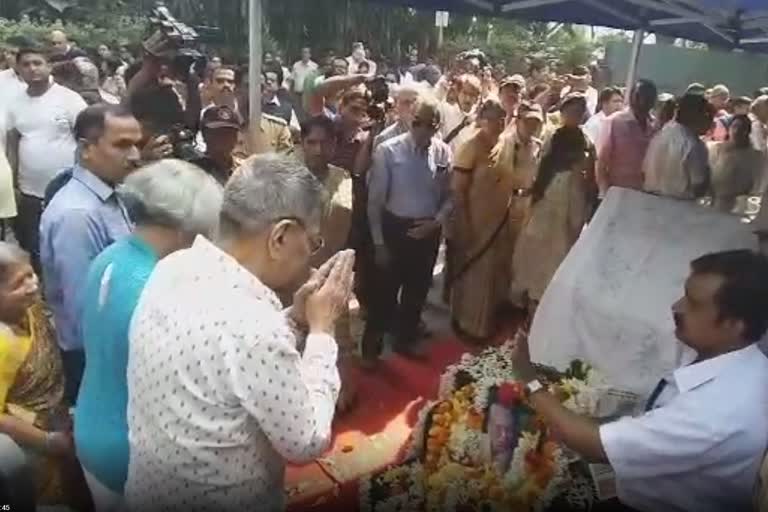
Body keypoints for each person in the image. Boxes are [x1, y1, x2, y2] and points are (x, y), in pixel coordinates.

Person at [124, 155, 355, 512]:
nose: (310, 256)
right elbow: (306, 440)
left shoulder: (175, 265)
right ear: (280, 236)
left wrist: (294, 317)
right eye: (313, 241)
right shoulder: (253, 326)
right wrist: (323, 332)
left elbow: (228, 360)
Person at [512, 249, 768, 512]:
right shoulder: (745, 362)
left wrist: (529, 380)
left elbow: (593, 444)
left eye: (693, 303)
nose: (676, 306)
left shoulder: (715, 413)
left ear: (734, 325)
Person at [75, 161, 222, 511]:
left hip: (92, 426)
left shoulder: (110, 257)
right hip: (132, 451)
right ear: (186, 229)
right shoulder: (158, 288)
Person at [39, 104, 142, 404]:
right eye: (122, 145)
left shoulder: (113, 196)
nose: (135, 156)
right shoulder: (77, 215)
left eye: (138, 144)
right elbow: (85, 315)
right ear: (86, 149)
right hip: (95, 362)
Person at [363, 99, 452, 364]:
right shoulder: (388, 151)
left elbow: (450, 196)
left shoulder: (443, 152)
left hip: (428, 231)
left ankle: (406, 339)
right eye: (417, 123)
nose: (423, 129)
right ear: (410, 120)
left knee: (417, 291)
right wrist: (379, 243)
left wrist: (436, 222)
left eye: (429, 125)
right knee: (384, 295)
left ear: (437, 126)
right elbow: (375, 202)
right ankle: (371, 349)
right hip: (395, 229)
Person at [450, 100, 543, 341]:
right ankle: (468, 326)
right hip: (474, 219)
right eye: (492, 119)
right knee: (474, 275)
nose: (497, 124)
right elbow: (458, 190)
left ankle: (486, 322)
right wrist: (464, 223)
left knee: (493, 274)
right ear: (481, 120)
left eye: (502, 120)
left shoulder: (503, 145)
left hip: (499, 220)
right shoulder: (470, 146)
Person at [0, 242, 78, 505]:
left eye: (31, 274)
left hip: (57, 417)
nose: (32, 285)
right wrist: (49, 441)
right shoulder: (3, 342)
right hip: (29, 443)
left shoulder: (31, 309)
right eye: (18, 283)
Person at [512, 94, 596, 311]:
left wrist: (586, 206)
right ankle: (530, 301)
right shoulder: (552, 137)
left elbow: (591, 178)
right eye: (570, 111)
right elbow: (541, 169)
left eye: (579, 111)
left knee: (561, 254)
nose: (574, 116)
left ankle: (547, 304)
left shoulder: (587, 142)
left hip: (573, 203)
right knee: (537, 252)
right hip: (548, 201)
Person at [5, 46, 87, 270]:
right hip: (29, 191)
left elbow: (86, 139)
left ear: (48, 66)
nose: (32, 69)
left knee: (65, 246)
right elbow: (14, 141)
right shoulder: (15, 102)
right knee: (33, 245)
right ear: (18, 69)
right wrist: (13, 183)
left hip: (65, 188)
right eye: (26, 64)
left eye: (37, 63)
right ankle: (41, 294)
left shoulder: (69, 99)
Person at [298, 115, 356, 413]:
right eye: (312, 143)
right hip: (293, 270)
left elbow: (341, 220)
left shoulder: (342, 178)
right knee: (299, 332)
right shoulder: (287, 177)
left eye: (325, 143)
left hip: (330, 265)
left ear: (334, 145)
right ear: (302, 144)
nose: (318, 150)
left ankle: (340, 391)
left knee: (336, 329)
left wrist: (324, 256)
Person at [644, 93, 714, 200]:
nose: (710, 123)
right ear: (697, 116)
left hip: (650, 202)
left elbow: (644, 171)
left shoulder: (662, 133)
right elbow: (699, 187)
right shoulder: (695, 146)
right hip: (679, 208)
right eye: (708, 116)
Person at [596, 79, 657, 196]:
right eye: (638, 96)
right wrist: (603, 193)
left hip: (646, 193)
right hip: (618, 193)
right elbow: (601, 162)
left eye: (647, 97)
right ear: (630, 97)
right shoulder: (614, 122)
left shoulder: (655, 126)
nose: (642, 101)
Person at [708, 114, 767, 213]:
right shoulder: (715, 149)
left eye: (742, 128)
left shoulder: (756, 156)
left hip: (740, 207)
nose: (737, 131)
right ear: (729, 128)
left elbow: (758, 185)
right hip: (714, 203)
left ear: (748, 132)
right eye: (734, 126)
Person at [192, 106, 242, 185]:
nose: (224, 139)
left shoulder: (245, 170)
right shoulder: (192, 171)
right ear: (205, 134)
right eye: (218, 133)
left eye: (229, 133)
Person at [439, 74, 481, 151]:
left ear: (476, 98)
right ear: (458, 93)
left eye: (472, 95)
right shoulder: (445, 110)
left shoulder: (480, 119)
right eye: (464, 93)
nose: (467, 99)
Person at [262, 65, 300, 131]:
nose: (268, 82)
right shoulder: (252, 105)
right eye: (266, 80)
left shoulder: (287, 108)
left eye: (272, 80)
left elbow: (296, 130)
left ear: (279, 85)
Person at [291, 47, 318, 119]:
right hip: (297, 94)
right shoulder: (296, 65)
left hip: (308, 94)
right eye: (303, 52)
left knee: (307, 113)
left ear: (310, 55)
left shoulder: (314, 66)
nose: (304, 54)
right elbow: (292, 80)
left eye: (306, 52)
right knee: (297, 113)